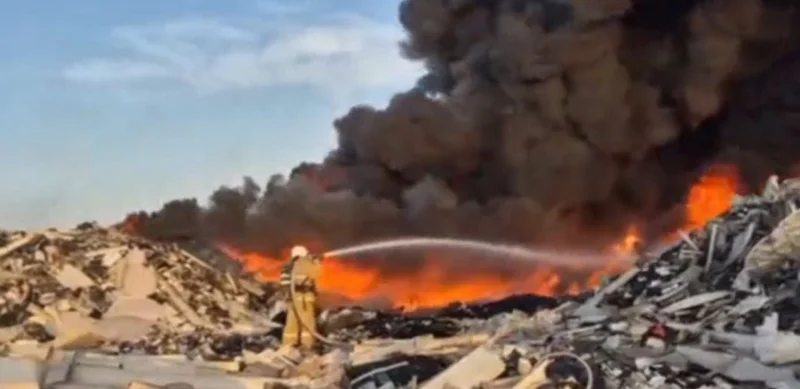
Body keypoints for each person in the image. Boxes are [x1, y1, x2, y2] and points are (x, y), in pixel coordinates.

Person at [281, 245, 321, 348]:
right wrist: (316, 262)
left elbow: (284, 282)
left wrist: (288, 296)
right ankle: (307, 345)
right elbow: (316, 275)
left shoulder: (288, 266)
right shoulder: (307, 264)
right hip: (305, 297)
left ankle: (288, 345)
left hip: (293, 298)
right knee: (307, 321)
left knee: (292, 321)